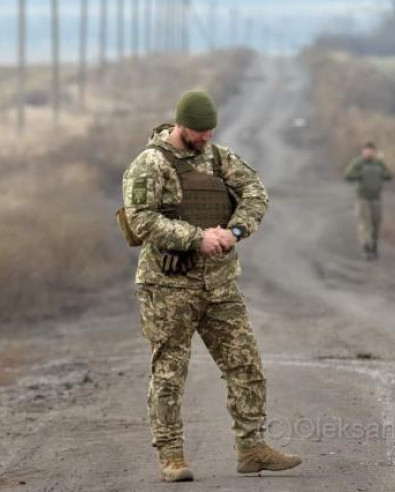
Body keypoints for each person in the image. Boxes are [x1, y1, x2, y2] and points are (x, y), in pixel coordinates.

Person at [121, 90, 302, 482]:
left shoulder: (220, 158)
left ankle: (252, 447)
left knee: (246, 364)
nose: (205, 138)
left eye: (209, 131)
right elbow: (141, 221)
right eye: (198, 132)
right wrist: (196, 237)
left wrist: (235, 230)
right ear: (180, 125)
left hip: (220, 284)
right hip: (168, 287)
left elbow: (256, 193)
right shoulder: (150, 164)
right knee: (169, 373)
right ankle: (172, 457)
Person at [344, 142, 393, 260]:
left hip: (376, 198)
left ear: (375, 152)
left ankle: (374, 246)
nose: (369, 153)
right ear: (363, 152)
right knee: (365, 223)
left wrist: (380, 173)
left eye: (372, 150)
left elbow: (389, 175)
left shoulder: (379, 163)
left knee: (376, 222)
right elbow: (347, 175)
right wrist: (361, 174)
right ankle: (366, 246)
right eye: (367, 150)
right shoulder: (358, 163)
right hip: (363, 197)